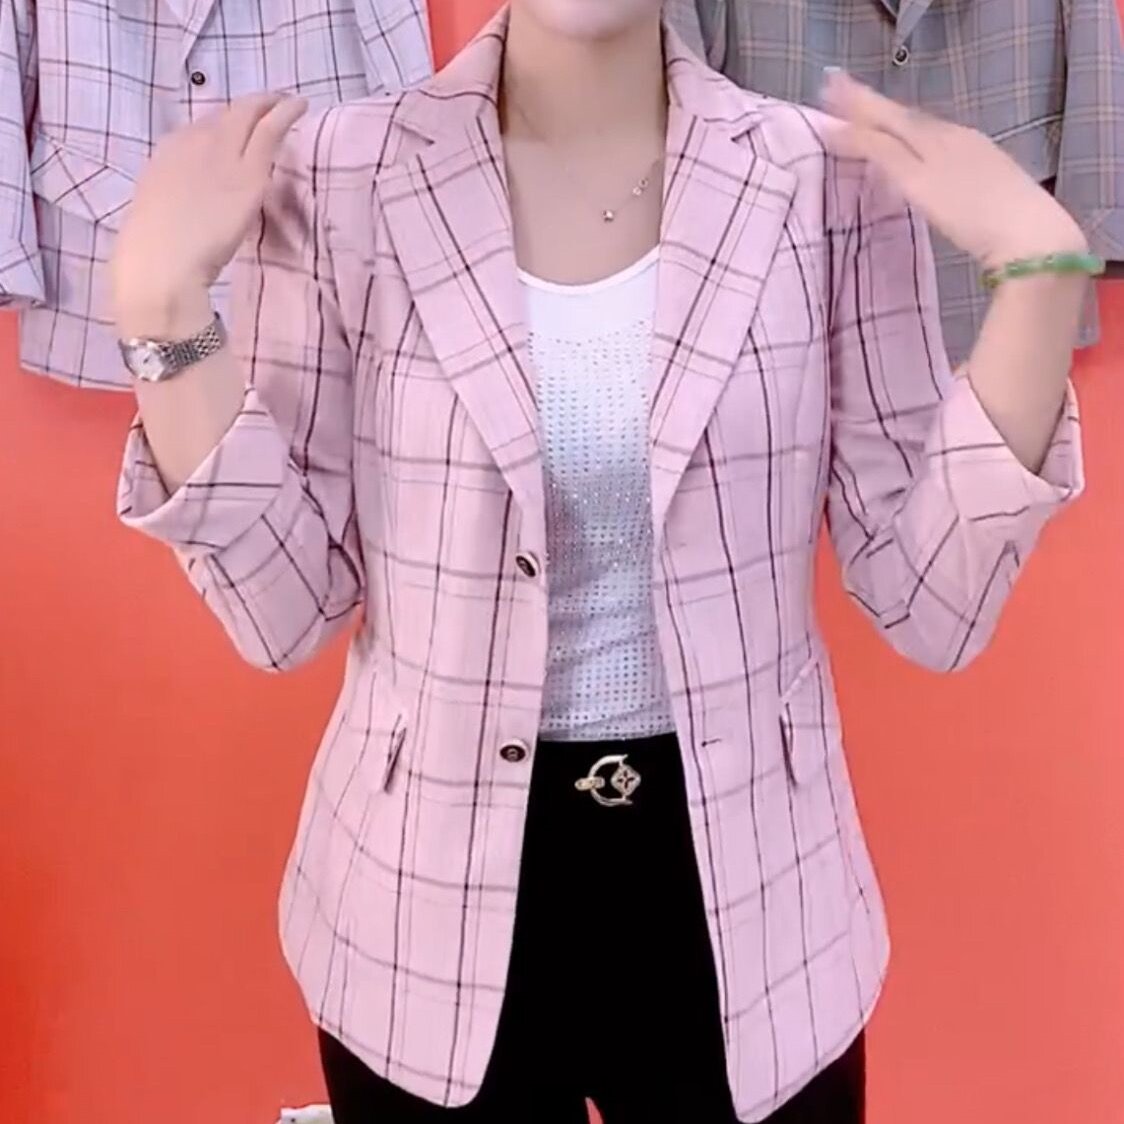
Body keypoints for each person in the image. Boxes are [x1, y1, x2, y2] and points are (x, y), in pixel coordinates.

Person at [110, 1, 1092, 1121]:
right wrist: (161, 311)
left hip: (755, 907)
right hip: (418, 905)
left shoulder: (825, 181)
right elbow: (284, 610)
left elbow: (932, 601)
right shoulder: (335, 174)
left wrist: (1037, 279)